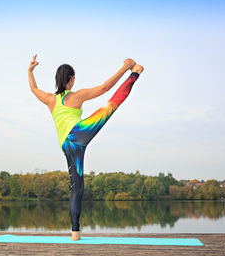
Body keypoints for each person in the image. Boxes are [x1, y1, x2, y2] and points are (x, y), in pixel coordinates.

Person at [28, 54, 144, 241]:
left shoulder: (50, 99)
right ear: (72, 79)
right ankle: (136, 73)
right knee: (110, 106)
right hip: (78, 133)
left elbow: (34, 89)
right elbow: (105, 88)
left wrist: (30, 70)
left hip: (66, 145)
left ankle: (75, 232)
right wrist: (125, 67)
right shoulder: (77, 95)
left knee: (77, 189)